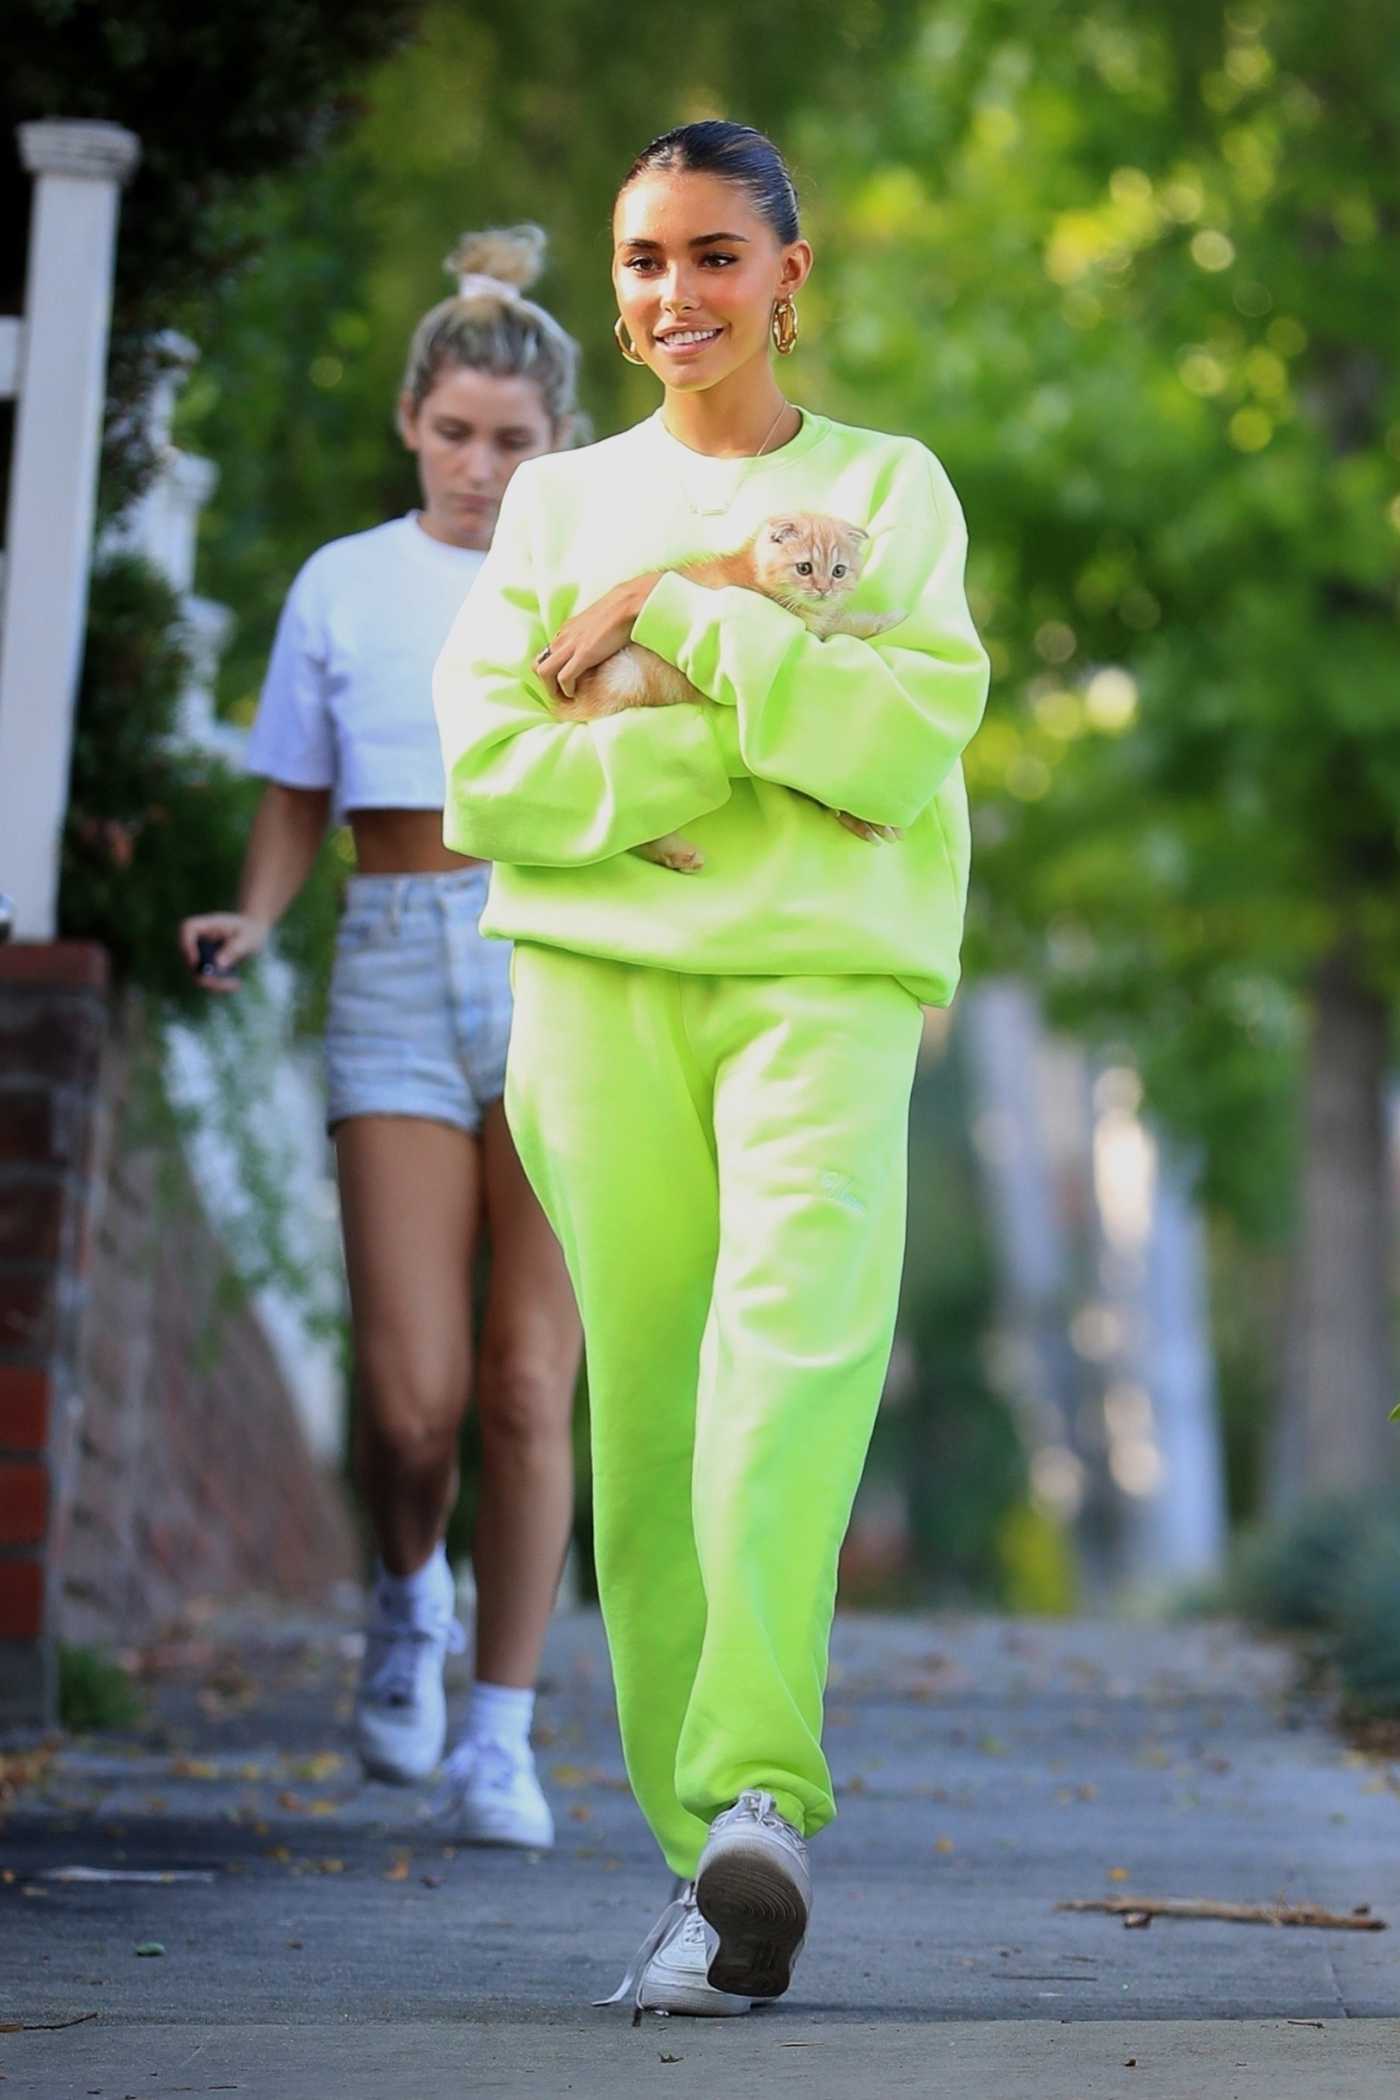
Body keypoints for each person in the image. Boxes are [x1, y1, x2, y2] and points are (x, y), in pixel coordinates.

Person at [434, 121, 989, 2012]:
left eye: (715, 258)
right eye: (644, 259)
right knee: (652, 1423)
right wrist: (738, 724)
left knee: (794, 1362)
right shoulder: (553, 503)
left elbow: (900, 749)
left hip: (827, 988)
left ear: (790, 276)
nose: (674, 296)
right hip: (597, 997)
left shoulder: (890, 491)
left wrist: (668, 618)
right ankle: (704, 1879)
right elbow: (497, 784)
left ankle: (763, 1791)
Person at [179, 228, 583, 1849]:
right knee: (414, 1401)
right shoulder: (341, 583)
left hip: (558, 957)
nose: (482, 468)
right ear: (412, 423)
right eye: (456, 434)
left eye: (515, 441)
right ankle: (406, 1596)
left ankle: (503, 1733)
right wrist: (260, 915)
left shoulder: (587, 579)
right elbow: (294, 790)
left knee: (527, 1383)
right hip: (393, 961)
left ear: (556, 446)